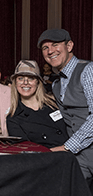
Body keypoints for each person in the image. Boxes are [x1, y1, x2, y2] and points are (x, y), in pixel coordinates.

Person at [38, 28, 93, 179]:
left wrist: (67, 147)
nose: (50, 51)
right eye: (45, 48)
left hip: (76, 148)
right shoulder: (56, 84)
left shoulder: (88, 70)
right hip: (79, 157)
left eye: (55, 44)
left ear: (69, 46)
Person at [6, 60, 68, 148]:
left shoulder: (54, 103)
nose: (25, 82)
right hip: (48, 159)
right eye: (20, 78)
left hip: (76, 157)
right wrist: (64, 149)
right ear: (15, 83)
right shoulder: (14, 119)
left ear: (38, 82)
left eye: (31, 78)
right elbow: (26, 153)